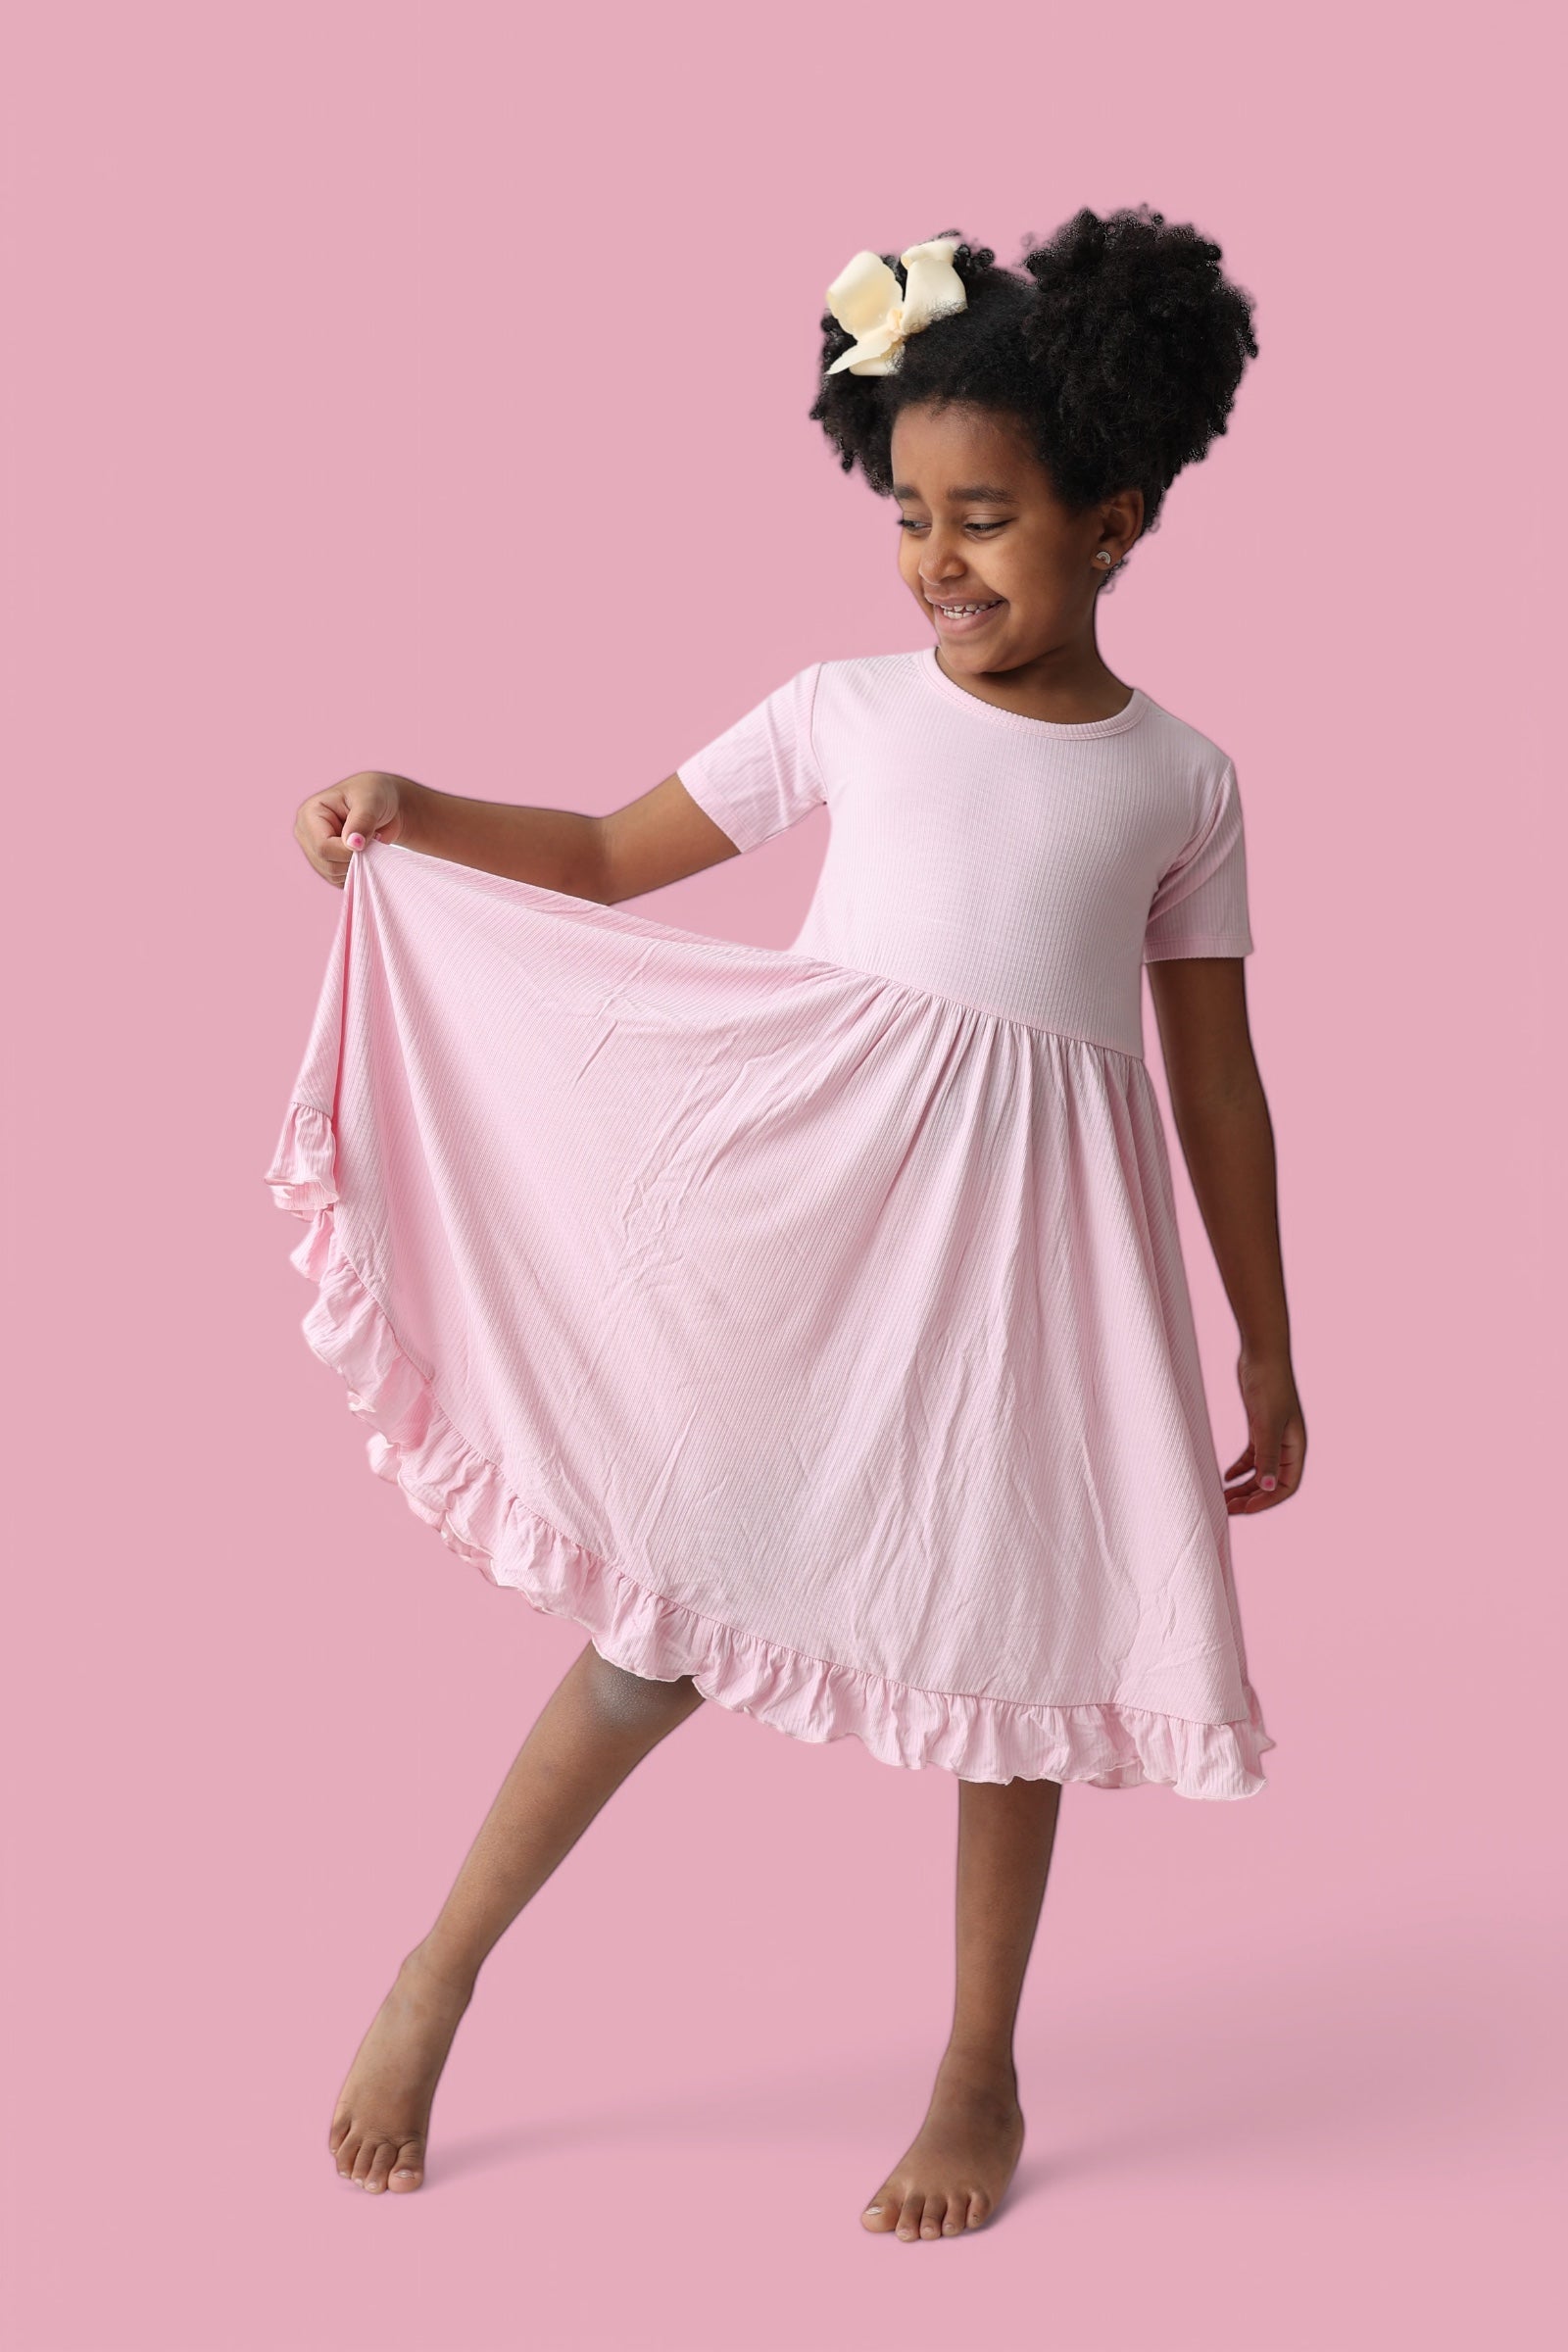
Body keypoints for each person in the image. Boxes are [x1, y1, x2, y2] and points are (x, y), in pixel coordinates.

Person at [269, 203, 1306, 2238]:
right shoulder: (845, 706)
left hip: (1029, 1279)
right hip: (812, 1227)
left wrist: (1264, 1334)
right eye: (909, 514)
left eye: (985, 517)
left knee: (1018, 1650)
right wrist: (410, 801)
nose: (936, 558)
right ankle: (439, 1967)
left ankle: (978, 2066)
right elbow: (598, 851)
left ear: (1111, 520)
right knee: (656, 1624)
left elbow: (1214, 1083)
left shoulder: (1183, 781)